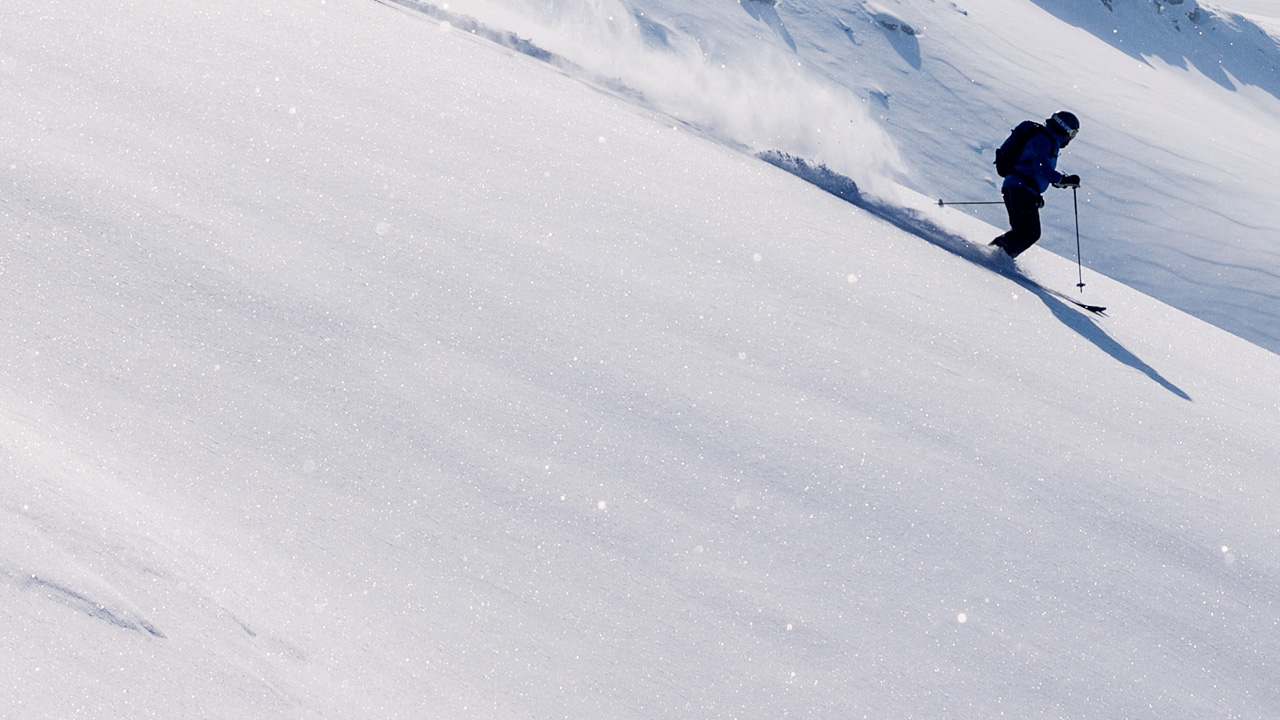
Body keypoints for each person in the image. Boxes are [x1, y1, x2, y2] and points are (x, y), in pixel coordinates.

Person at [991, 111, 1081, 258]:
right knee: (1029, 232)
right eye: (1072, 133)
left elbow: (1040, 172)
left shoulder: (1050, 142)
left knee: (1027, 232)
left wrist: (1041, 191)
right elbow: (1042, 168)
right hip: (1018, 188)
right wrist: (1063, 180)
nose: (1071, 139)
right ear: (1062, 127)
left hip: (1023, 190)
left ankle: (997, 255)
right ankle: (996, 257)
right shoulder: (1043, 139)